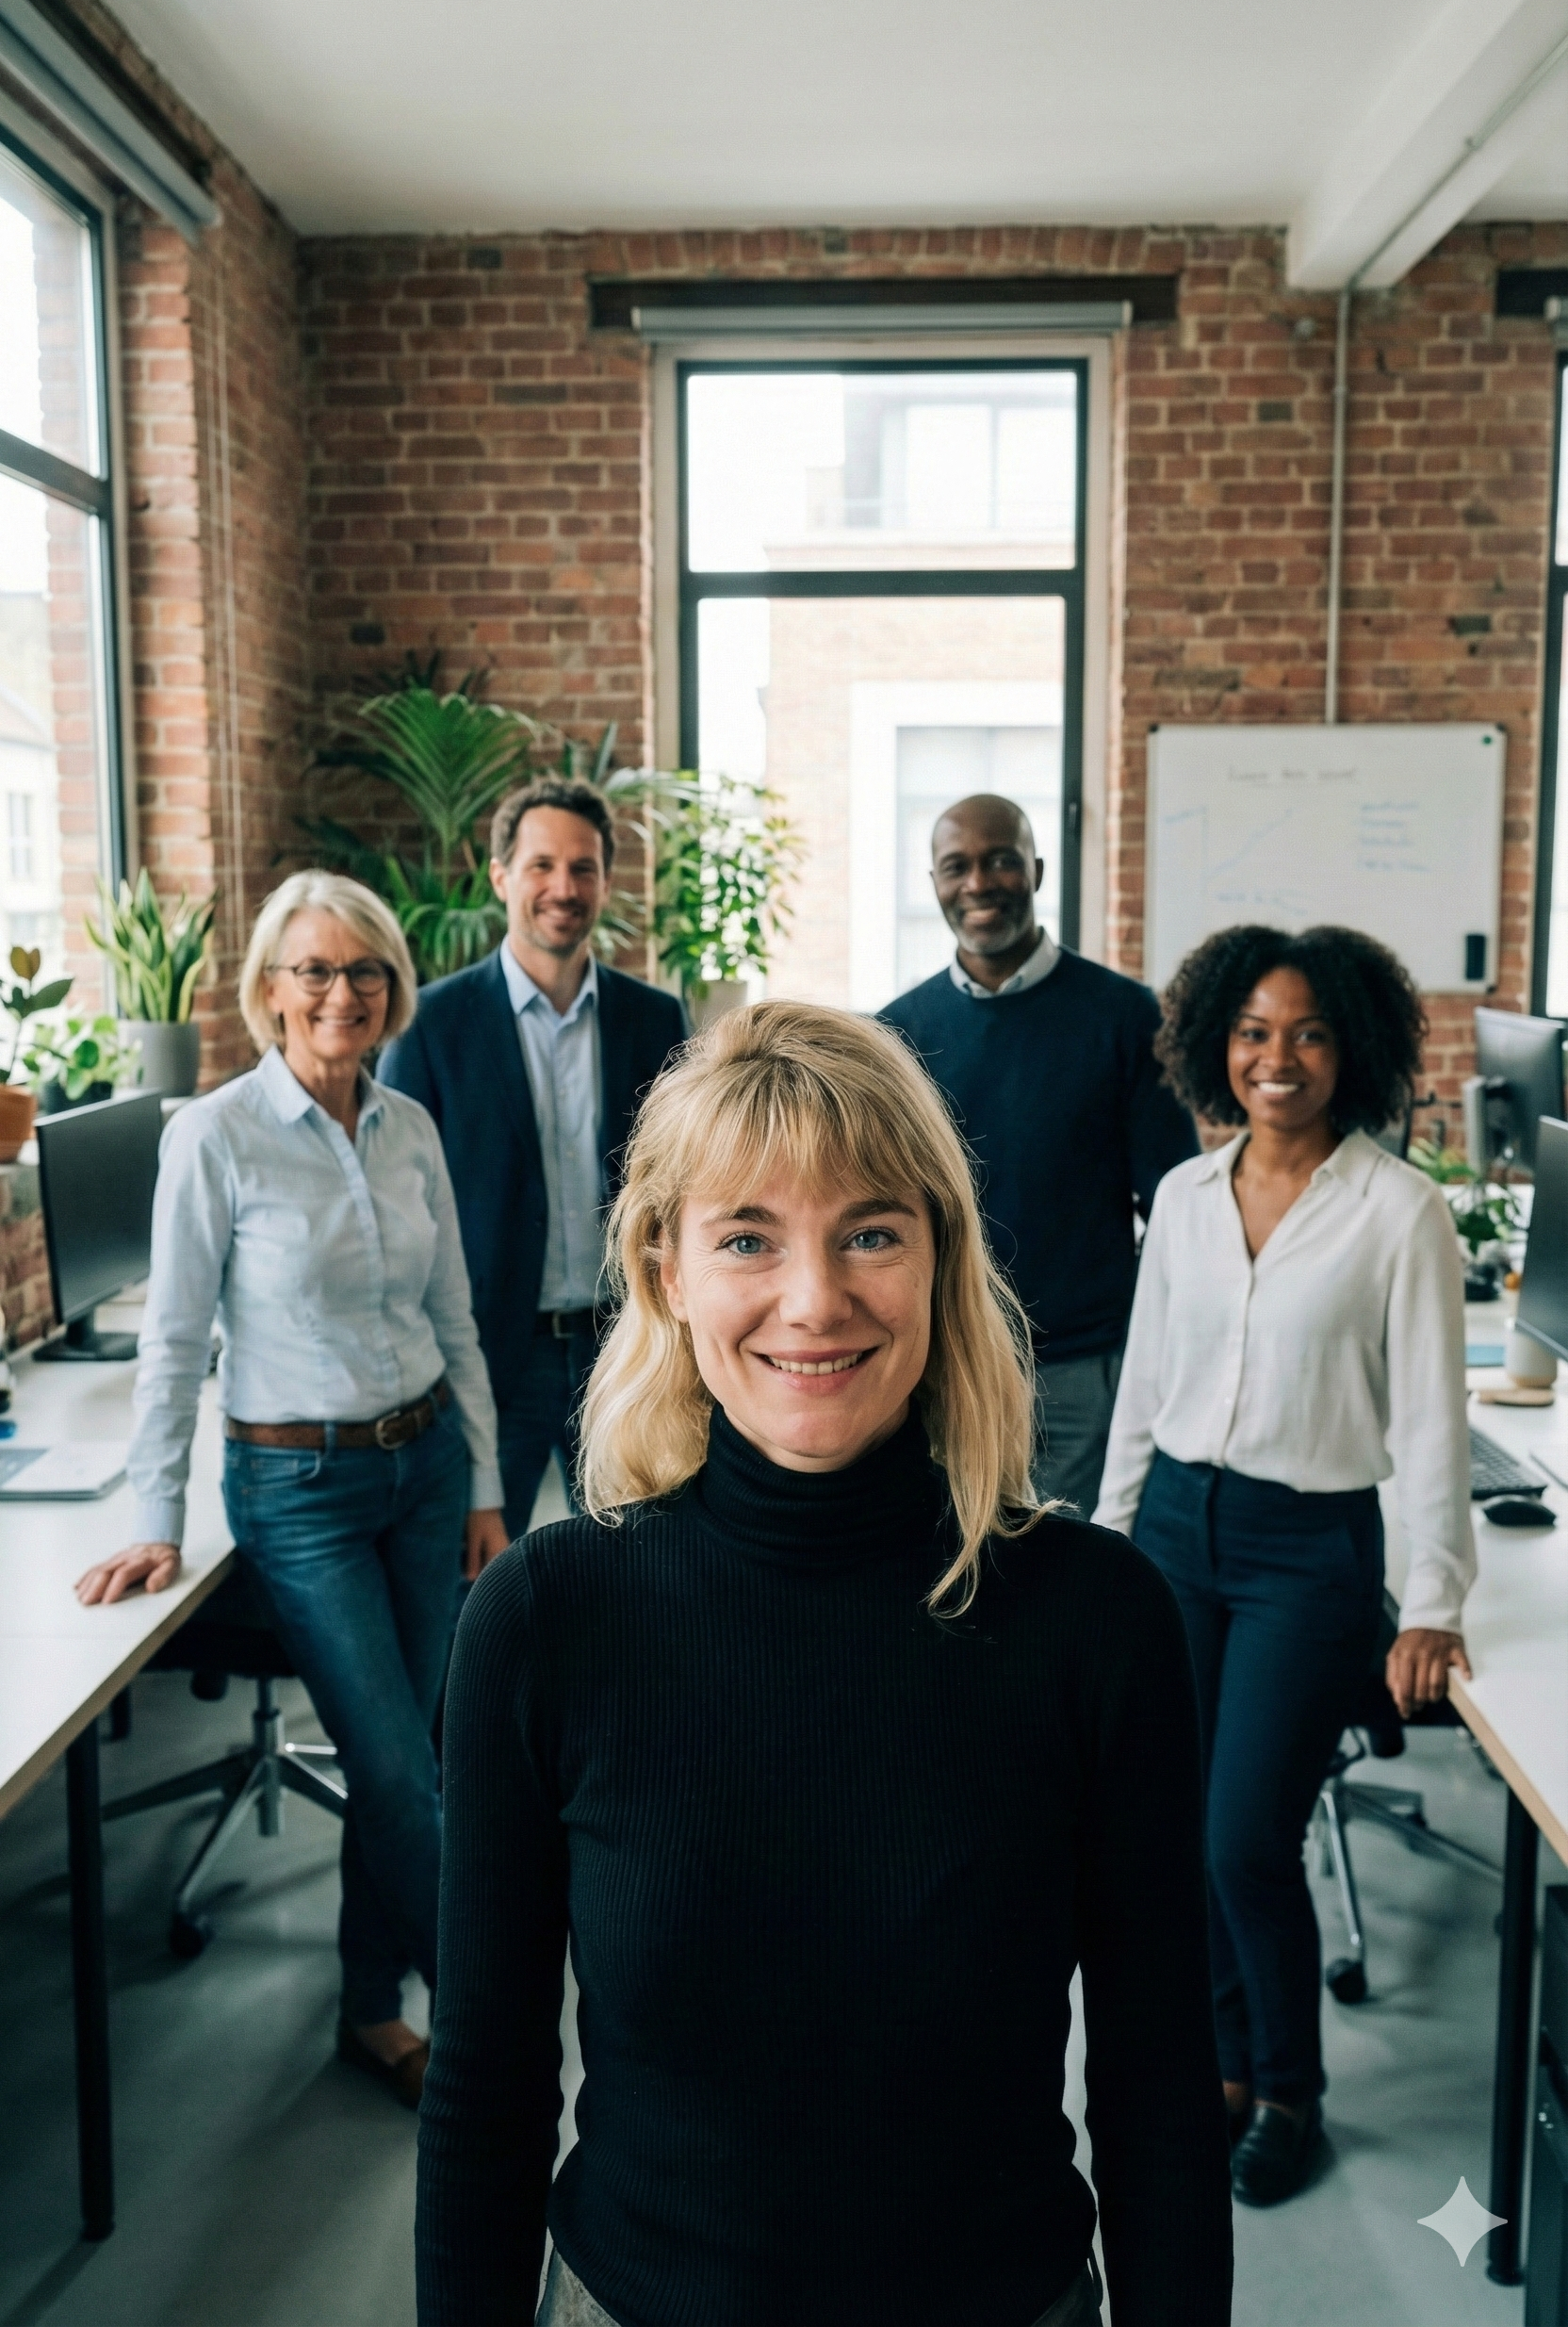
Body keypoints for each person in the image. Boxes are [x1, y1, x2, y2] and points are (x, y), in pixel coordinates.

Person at [416, 1002, 1233, 2327]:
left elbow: (1156, 2085)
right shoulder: (545, 1619)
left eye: (870, 1232)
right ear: (665, 1270)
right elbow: (487, 2091)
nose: (816, 1301)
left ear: (939, 1260)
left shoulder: (1097, 1619)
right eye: (748, 1237)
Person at [75, 871, 506, 2110]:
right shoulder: (213, 1136)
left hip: (425, 1468)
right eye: (313, 970)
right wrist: (153, 1523)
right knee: (393, 1768)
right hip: (298, 1487)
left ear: (392, 989)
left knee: (409, 1758)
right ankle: (494, 2040)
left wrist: (480, 1479)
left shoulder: (410, 1126)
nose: (340, 992)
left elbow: (454, 1316)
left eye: (363, 970)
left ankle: (374, 2013)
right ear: (269, 990)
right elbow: (171, 1340)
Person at [1092, 925, 1475, 2207]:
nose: (1278, 1057)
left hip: (1305, 1552)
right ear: (1217, 1048)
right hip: (1175, 1536)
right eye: (1253, 1031)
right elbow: (1147, 1388)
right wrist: (1110, 1547)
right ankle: (1219, 2071)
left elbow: (1430, 1423)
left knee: (1242, 1837)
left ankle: (1291, 2090)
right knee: (1173, 1822)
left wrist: (1432, 1604)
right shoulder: (1191, 1198)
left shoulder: (1399, 1212)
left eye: (1307, 1032)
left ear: (1349, 1047)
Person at [880, 793, 1197, 1518]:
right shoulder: (897, 1034)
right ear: (934, 883)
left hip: (1084, 1368)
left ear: (1037, 870)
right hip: (947, 1360)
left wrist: (1149, 1353)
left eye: (1001, 861)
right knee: (950, 1571)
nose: (979, 883)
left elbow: (1177, 1207)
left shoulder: (1126, 1016)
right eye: (957, 866)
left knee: (1069, 1584)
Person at [382, 778, 685, 1536]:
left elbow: (684, 1184)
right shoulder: (431, 1026)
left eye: (583, 868)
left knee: (638, 1567)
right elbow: (396, 1204)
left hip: (626, 1344)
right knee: (479, 1587)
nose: (563, 887)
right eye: (541, 865)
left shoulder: (654, 1020)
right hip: (491, 1359)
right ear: (501, 878)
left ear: (606, 883)